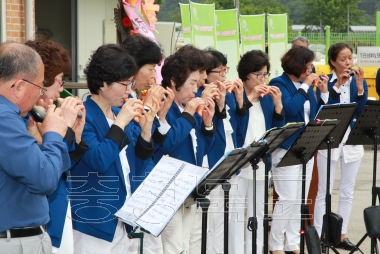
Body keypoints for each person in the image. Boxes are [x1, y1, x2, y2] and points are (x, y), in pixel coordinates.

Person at [70, 44, 160, 254]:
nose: (129, 91)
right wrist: (120, 123)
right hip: (95, 221)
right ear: (103, 84)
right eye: (125, 84)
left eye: (131, 84)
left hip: (124, 216)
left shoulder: (121, 112)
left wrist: (146, 131)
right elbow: (99, 160)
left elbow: (138, 165)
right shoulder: (83, 116)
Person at [0, 42, 70, 253]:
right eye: (39, 87)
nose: (40, 95)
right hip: (15, 241)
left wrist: (41, 138)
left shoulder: (13, 117)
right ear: (19, 86)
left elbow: (54, 169)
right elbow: (45, 180)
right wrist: (54, 134)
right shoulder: (5, 119)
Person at [25, 38, 87, 254]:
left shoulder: (42, 113)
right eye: (60, 80)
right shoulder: (24, 118)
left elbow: (63, 164)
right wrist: (66, 129)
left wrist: (75, 136)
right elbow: (43, 169)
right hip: (37, 220)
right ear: (42, 80)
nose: (63, 87)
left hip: (59, 208)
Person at [268, 46, 329, 254]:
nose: (311, 69)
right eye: (308, 65)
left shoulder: (308, 86)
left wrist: (322, 93)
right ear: (297, 65)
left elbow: (313, 113)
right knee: (286, 198)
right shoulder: (279, 83)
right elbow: (290, 109)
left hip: (306, 145)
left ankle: (292, 243)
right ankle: (275, 244)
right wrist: (304, 86)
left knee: (300, 199)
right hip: (285, 147)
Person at [157, 51, 216, 254]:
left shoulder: (185, 107)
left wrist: (208, 125)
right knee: (174, 247)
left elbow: (202, 151)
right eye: (192, 83)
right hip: (168, 189)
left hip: (189, 187)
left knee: (189, 244)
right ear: (174, 82)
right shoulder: (164, 106)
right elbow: (167, 144)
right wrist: (189, 115)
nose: (196, 88)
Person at [314, 42, 368, 250]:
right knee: (324, 191)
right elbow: (326, 110)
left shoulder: (356, 81)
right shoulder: (325, 81)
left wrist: (361, 87)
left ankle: (340, 235)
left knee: (347, 190)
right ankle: (319, 236)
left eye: (350, 58)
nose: (348, 62)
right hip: (329, 141)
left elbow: (361, 113)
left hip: (351, 143)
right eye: (343, 59)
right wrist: (335, 87)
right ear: (333, 62)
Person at [230, 50, 284, 254]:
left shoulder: (266, 98)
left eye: (265, 74)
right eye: (258, 75)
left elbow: (275, 126)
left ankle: (256, 249)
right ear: (246, 74)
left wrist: (278, 106)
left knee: (259, 213)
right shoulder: (236, 95)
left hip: (261, 162)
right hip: (239, 163)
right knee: (236, 213)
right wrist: (249, 99)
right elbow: (237, 127)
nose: (263, 79)